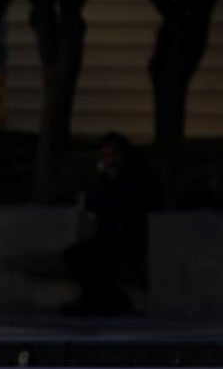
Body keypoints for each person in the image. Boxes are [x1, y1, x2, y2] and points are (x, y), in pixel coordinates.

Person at [62, 131, 161, 315]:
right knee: (78, 255)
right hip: (111, 237)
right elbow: (93, 202)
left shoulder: (134, 177)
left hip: (129, 238)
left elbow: (119, 204)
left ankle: (107, 299)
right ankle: (103, 298)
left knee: (89, 256)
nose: (107, 159)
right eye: (104, 155)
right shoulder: (108, 178)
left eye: (111, 154)